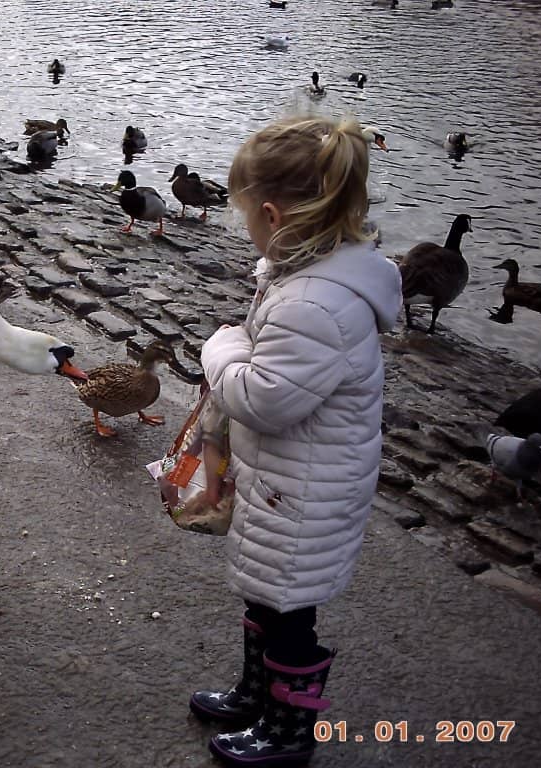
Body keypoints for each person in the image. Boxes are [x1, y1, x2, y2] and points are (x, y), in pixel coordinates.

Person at [192, 116, 402, 766]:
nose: (243, 227)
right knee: (269, 594)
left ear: (275, 215)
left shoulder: (314, 302)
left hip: (307, 495)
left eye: (243, 215)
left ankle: (288, 734)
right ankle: (258, 695)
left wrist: (220, 346)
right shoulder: (305, 276)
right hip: (292, 479)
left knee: (290, 614)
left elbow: (265, 398)